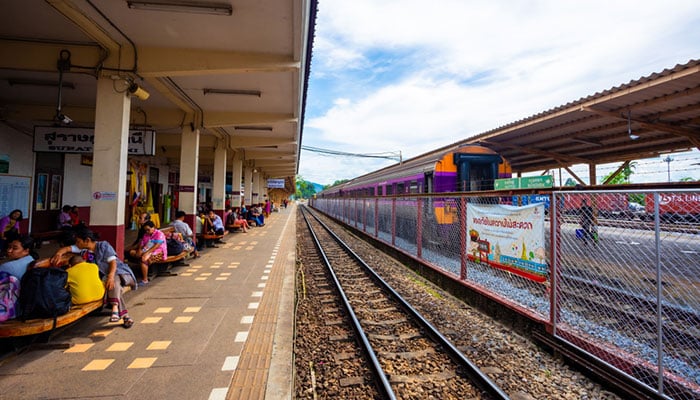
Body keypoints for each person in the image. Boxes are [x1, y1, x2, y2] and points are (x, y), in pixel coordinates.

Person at [50, 229, 136, 328]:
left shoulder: (104, 245)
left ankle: (116, 308)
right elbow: (67, 249)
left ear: (87, 240)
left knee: (113, 281)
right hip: (104, 278)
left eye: (78, 241)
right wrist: (59, 254)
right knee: (113, 285)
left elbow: (113, 263)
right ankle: (125, 316)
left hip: (120, 272)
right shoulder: (83, 250)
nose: (76, 244)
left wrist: (111, 276)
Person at [136, 221, 167, 285]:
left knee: (144, 260)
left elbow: (157, 245)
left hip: (158, 251)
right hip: (146, 250)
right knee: (133, 253)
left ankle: (145, 279)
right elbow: (142, 244)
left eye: (148, 230)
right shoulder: (146, 235)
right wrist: (139, 250)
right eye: (146, 230)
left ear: (153, 227)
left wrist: (146, 253)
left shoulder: (159, 234)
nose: (147, 232)